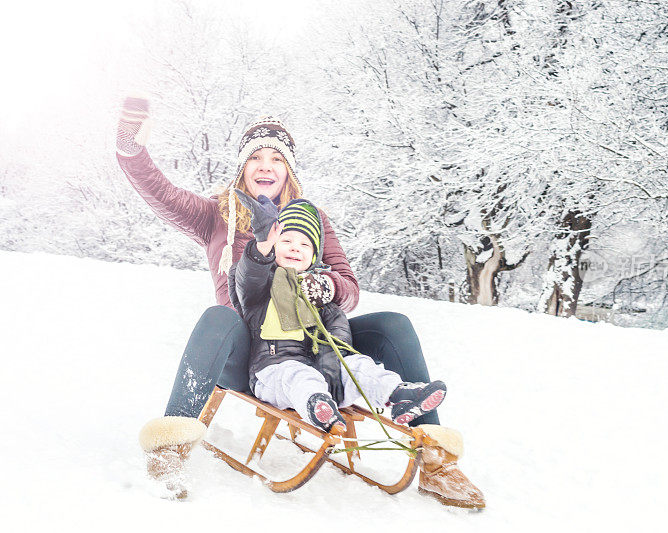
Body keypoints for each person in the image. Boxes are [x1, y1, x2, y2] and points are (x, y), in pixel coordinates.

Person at [116, 95, 484, 507]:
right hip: (255, 352)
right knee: (218, 316)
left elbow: (349, 285)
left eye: (276, 157)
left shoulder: (311, 218)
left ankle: (438, 461)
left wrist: (328, 287)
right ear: (243, 167)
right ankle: (169, 451)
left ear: (288, 168)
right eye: (256, 157)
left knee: (394, 324)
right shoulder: (216, 215)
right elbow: (159, 192)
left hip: (317, 346)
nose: (266, 165)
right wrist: (132, 149)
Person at [233, 194, 447, 431]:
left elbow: (337, 337)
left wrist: (333, 371)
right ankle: (317, 406)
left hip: (327, 379)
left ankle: (398, 395)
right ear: (274, 245)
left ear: (314, 256)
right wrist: (263, 244)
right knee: (298, 375)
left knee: (360, 366)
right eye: (286, 241)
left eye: (305, 244)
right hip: (273, 373)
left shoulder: (319, 293)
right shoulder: (261, 288)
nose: (295, 247)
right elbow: (249, 274)